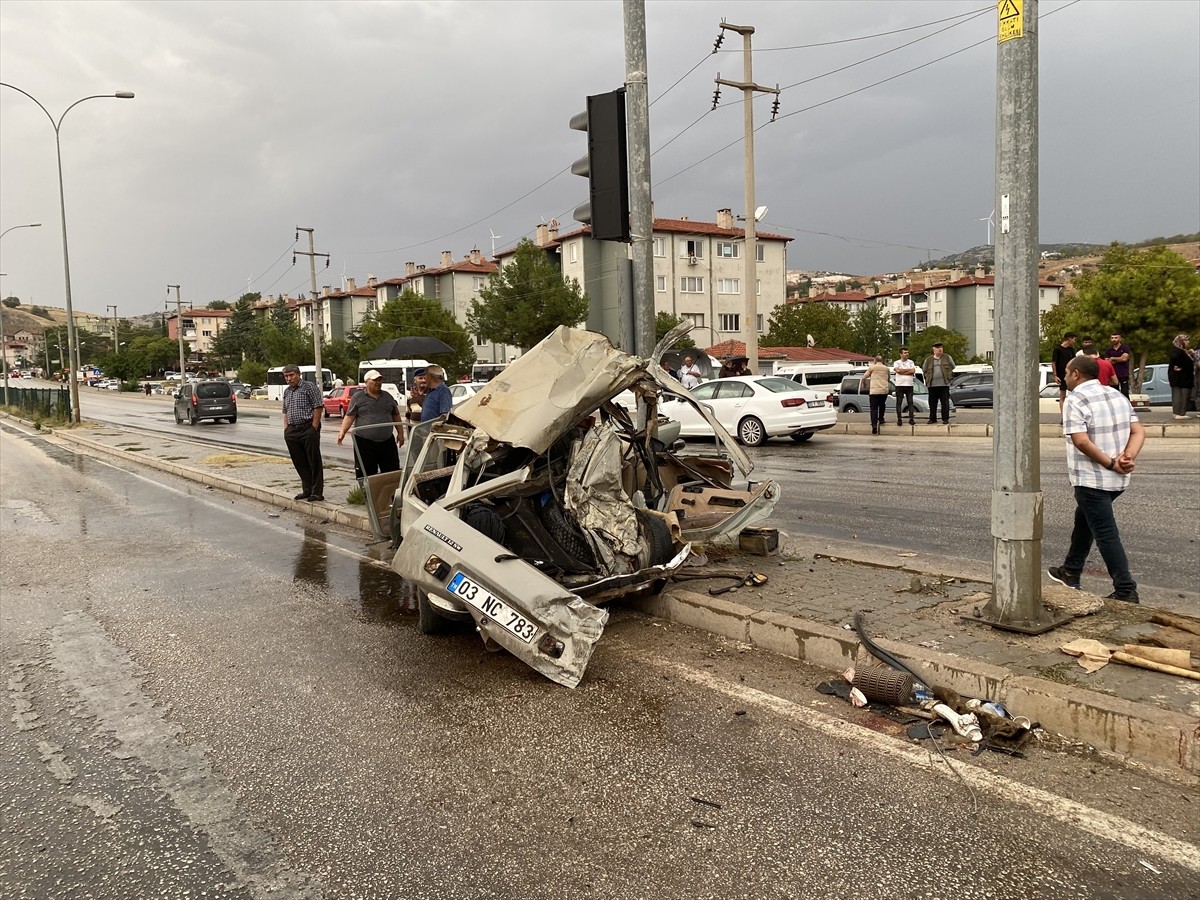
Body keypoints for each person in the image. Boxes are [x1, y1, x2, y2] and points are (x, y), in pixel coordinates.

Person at [1046, 356, 1144, 603]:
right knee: (1085, 520)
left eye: (1066, 372)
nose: (1064, 377)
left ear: (1076, 374)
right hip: (1117, 481)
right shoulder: (1116, 395)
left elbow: (1080, 440)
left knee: (1105, 533)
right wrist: (1127, 457)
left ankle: (1125, 589)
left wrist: (1110, 463)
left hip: (1091, 480)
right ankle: (1071, 570)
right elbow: (1138, 430)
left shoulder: (1075, 399)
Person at [336, 369, 404, 478]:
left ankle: (389, 493)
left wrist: (400, 433)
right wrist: (342, 432)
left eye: (380, 380)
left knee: (392, 470)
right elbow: (350, 416)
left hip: (387, 441)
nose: (378, 383)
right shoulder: (358, 397)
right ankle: (368, 494)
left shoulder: (387, 396)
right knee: (366, 472)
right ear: (366, 382)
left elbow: (395, 415)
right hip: (364, 442)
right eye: (375, 380)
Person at [281, 363, 325, 502]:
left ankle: (317, 492)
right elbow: (285, 411)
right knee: (299, 461)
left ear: (298, 374)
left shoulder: (309, 387)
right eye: (286, 376)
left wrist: (314, 427)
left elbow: (318, 406)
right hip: (292, 431)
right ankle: (307, 490)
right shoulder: (287, 391)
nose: (289, 379)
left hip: (308, 428)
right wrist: (286, 429)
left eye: (291, 375)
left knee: (313, 460)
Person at [921, 342, 955, 424]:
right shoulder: (929, 359)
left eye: (941, 348)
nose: (940, 350)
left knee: (945, 403)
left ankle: (945, 419)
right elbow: (924, 369)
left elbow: (953, 366)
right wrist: (927, 377)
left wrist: (948, 374)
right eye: (938, 348)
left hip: (944, 384)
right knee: (932, 403)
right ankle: (932, 418)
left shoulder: (947, 357)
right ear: (934, 350)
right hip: (932, 385)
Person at [860, 355, 891, 435]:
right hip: (884, 390)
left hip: (874, 391)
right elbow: (888, 379)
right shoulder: (886, 368)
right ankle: (881, 419)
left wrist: (864, 384)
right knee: (882, 405)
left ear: (875, 360)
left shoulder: (872, 368)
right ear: (882, 360)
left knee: (874, 408)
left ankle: (874, 424)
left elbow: (864, 377)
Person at [1168, 333, 1195, 419]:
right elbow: (1176, 359)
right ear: (1181, 341)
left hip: (1183, 379)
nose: (1188, 342)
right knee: (1181, 396)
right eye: (1186, 340)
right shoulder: (1177, 350)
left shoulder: (1182, 351)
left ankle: (1179, 413)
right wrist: (1178, 366)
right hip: (1181, 379)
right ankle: (1179, 413)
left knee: (1182, 396)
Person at [1101, 332, 1132, 397]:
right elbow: (1107, 362)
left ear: (1120, 339)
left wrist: (1112, 358)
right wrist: (1120, 359)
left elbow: (1124, 358)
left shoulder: (1125, 348)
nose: (1114, 339)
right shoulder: (1108, 350)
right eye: (1112, 338)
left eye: (1116, 338)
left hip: (1123, 374)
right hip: (1113, 375)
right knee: (1114, 394)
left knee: (1125, 393)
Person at [892, 347, 917, 425]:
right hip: (900, 385)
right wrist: (907, 371)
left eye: (907, 353)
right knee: (899, 402)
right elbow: (898, 371)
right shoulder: (896, 362)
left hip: (909, 385)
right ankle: (899, 419)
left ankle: (911, 418)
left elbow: (913, 371)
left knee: (910, 402)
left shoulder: (911, 362)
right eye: (905, 353)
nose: (907, 354)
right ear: (901, 354)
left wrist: (902, 372)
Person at [1052, 332, 1077, 409]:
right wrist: (1055, 375)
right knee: (1062, 396)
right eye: (1074, 339)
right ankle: (1063, 416)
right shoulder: (1057, 349)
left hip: (1071, 375)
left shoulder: (1071, 349)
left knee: (1074, 395)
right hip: (1061, 376)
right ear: (1069, 339)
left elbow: (1074, 361)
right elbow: (1054, 362)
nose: (1074, 341)